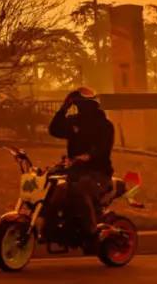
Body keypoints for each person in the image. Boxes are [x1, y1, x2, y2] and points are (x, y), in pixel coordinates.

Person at [47, 87, 115, 252]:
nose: (80, 108)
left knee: (80, 189)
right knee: (53, 191)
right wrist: (63, 108)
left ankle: (91, 235)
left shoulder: (104, 125)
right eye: (76, 104)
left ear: (92, 105)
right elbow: (54, 130)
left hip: (98, 174)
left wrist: (89, 156)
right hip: (75, 172)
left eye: (83, 104)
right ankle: (53, 229)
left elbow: (104, 147)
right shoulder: (73, 122)